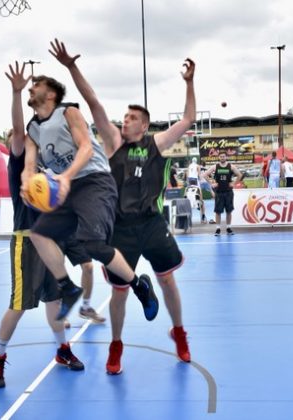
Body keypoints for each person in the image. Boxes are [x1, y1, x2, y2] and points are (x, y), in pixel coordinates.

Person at [50, 38, 194, 373]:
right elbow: (93, 102)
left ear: (144, 125)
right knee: (120, 292)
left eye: (131, 118)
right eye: (124, 117)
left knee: (168, 281)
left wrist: (189, 83)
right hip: (120, 229)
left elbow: (187, 119)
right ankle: (116, 346)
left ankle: (180, 333)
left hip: (152, 223)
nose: (124, 120)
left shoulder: (156, 143)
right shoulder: (113, 142)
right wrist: (72, 67)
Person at [20, 59, 158, 325]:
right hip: (64, 186)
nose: (31, 87)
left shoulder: (68, 112)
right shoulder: (33, 129)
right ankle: (68, 288)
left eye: (36, 85)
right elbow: (28, 165)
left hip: (93, 181)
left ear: (50, 94)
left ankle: (139, 285)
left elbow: (85, 147)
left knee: (93, 244)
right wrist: (27, 182)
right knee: (38, 235)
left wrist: (66, 177)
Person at [0, 63, 86, 389]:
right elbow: (19, 129)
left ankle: (62, 350)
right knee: (19, 304)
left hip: (51, 237)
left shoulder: (49, 154)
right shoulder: (19, 156)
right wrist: (17, 92)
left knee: (55, 301)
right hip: (26, 238)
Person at [203, 151, 243, 235]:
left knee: (229, 211)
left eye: (223, 156)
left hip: (228, 192)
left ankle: (228, 228)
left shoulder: (231, 166)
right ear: (219, 157)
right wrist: (211, 183)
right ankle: (218, 229)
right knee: (218, 211)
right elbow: (205, 175)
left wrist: (234, 183)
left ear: (226, 157)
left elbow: (240, 175)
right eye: (220, 156)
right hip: (219, 192)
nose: (222, 158)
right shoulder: (215, 167)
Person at [187, 157, 207, 223]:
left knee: (189, 199)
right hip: (195, 181)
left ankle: (188, 217)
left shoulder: (189, 166)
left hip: (190, 182)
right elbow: (199, 175)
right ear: (196, 161)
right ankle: (203, 214)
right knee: (201, 199)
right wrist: (203, 180)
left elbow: (187, 175)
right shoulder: (198, 166)